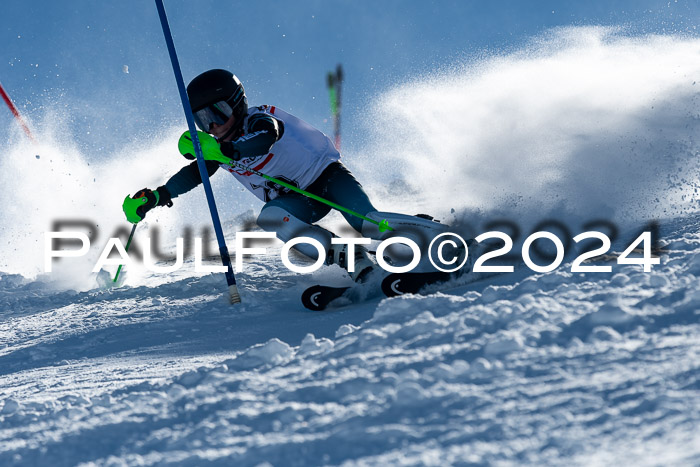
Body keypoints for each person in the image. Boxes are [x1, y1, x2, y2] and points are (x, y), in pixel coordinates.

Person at [123, 69, 450, 281]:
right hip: (300, 200)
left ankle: (435, 235)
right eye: (201, 118)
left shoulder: (257, 120)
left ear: (236, 105)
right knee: (271, 218)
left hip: (326, 178)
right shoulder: (216, 148)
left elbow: (269, 136)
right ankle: (354, 261)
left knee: (368, 222)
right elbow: (195, 173)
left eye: (217, 113)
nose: (211, 125)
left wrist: (231, 152)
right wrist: (159, 195)